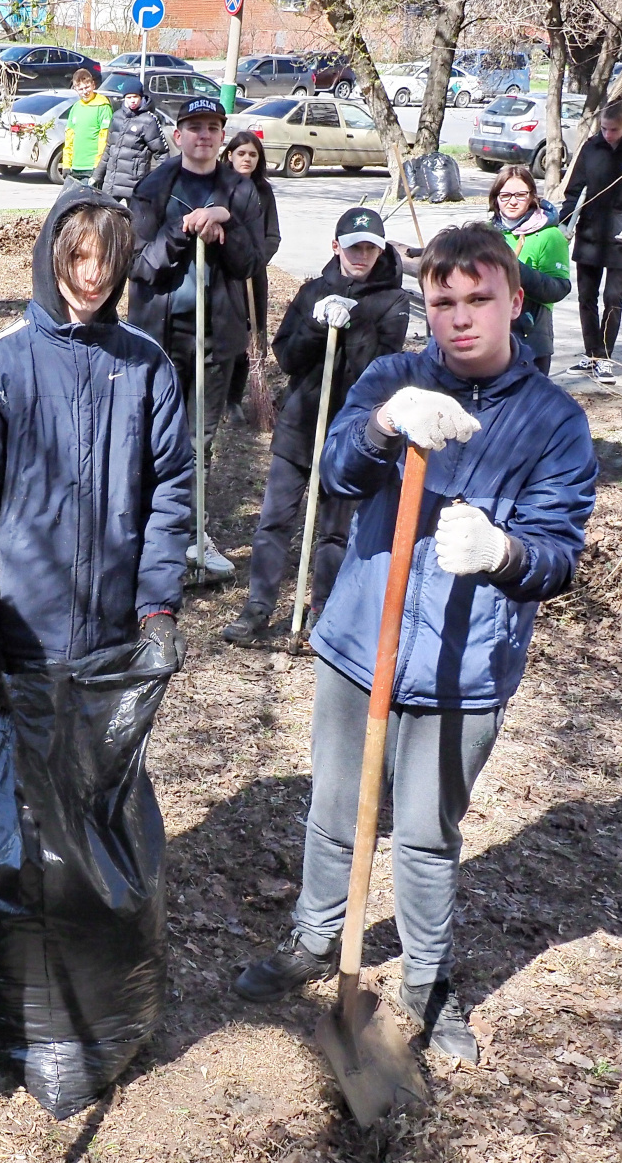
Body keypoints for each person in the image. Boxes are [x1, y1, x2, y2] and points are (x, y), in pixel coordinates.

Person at [230, 222, 597, 1064]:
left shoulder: (552, 422)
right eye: (442, 301)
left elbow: (556, 557)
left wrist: (504, 554)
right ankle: (315, 938)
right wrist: (382, 426)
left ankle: (425, 981)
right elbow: (335, 474)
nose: (459, 317)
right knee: (335, 809)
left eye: (478, 299)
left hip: (464, 666)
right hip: (362, 640)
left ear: (513, 300)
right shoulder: (392, 378)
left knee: (427, 834)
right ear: (425, 305)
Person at [0, 185, 193, 699]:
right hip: (22, 637)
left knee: (101, 755)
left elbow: (170, 490)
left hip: (115, 635)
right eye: (79, 257)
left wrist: (157, 607)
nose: (92, 276)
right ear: (52, 255)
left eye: (107, 260)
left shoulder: (147, 365)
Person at [223, 205, 410, 646]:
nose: (361, 256)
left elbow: (379, 372)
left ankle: (322, 612)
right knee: (274, 521)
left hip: (350, 435)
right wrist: (315, 323)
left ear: (380, 251)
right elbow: (287, 356)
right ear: (336, 247)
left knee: (335, 530)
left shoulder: (394, 301)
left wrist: (352, 326)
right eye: (354, 247)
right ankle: (258, 607)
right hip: (300, 425)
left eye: (369, 249)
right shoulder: (312, 292)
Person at [126, 97, 269, 578]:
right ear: (178, 136)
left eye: (212, 127)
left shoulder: (242, 191)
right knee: (152, 435)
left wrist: (226, 221)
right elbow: (140, 265)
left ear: (222, 137)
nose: (203, 135)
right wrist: (181, 229)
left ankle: (192, 535)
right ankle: (146, 530)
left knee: (198, 441)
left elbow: (251, 264)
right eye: (194, 127)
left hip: (215, 338)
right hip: (160, 338)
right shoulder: (153, 188)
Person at [560, 98, 622, 383]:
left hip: (621, 235)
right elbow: (574, 190)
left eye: (613, 130)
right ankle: (591, 354)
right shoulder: (591, 148)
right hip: (590, 231)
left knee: (613, 298)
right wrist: (564, 223)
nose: (607, 134)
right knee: (586, 296)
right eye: (603, 128)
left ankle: (605, 357)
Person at [487, 164, 572, 375]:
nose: (512, 201)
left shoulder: (549, 236)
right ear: (495, 198)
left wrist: (516, 270)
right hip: (489, 338)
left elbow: (558, 289)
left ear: (532, 196)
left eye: (520, 195)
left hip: (531, 339)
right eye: (505, 195)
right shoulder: (486, 233)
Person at [222, 129, 281, 419]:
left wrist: (254, 260)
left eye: (253, 154)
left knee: (250, 334)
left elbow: (273, 236)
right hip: (223, 275)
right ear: (229, 155)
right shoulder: (219, 186)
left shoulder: (264, 192)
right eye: (241, 153)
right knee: (223, 331)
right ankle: (216, 396)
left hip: (253, 274)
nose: (247, 159)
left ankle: (234, 399)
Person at [93, 86, 170, 202]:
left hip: (135, 183)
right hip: (112, 182)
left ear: (141, 97)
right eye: (129, 97)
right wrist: (97, 176)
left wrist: (158, 182)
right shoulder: (116, 117)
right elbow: (108, 149)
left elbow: (162, 154)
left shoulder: (148, 121)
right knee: (107, 212)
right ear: (124, 98)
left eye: (135, 97)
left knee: (135, 214)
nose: (132, 100)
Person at [63, 64, 113, 184]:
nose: (85, 92)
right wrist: (66, 164)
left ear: (93, 85)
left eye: (87, 87)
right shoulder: (76, 108)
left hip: (92, 168)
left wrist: (98, 167)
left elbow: (105, 139)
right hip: (76, 167)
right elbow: (69, 138)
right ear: (75, 89)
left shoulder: (103, 106)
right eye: (80, 89)